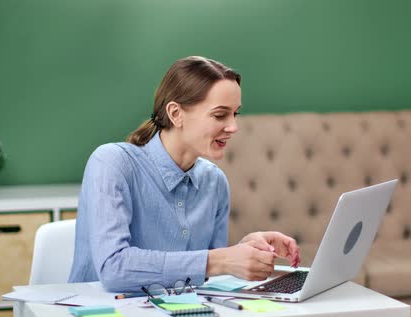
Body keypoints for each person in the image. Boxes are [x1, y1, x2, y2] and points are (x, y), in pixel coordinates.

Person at [68, 56, 301, 292]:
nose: (233, 127)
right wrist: (222, 260)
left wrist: (244, 251)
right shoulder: (112, 163)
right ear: (176, 113)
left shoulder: (215, 181)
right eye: (220, 115)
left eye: (235, 114)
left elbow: (207, 275)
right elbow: (114, 268)